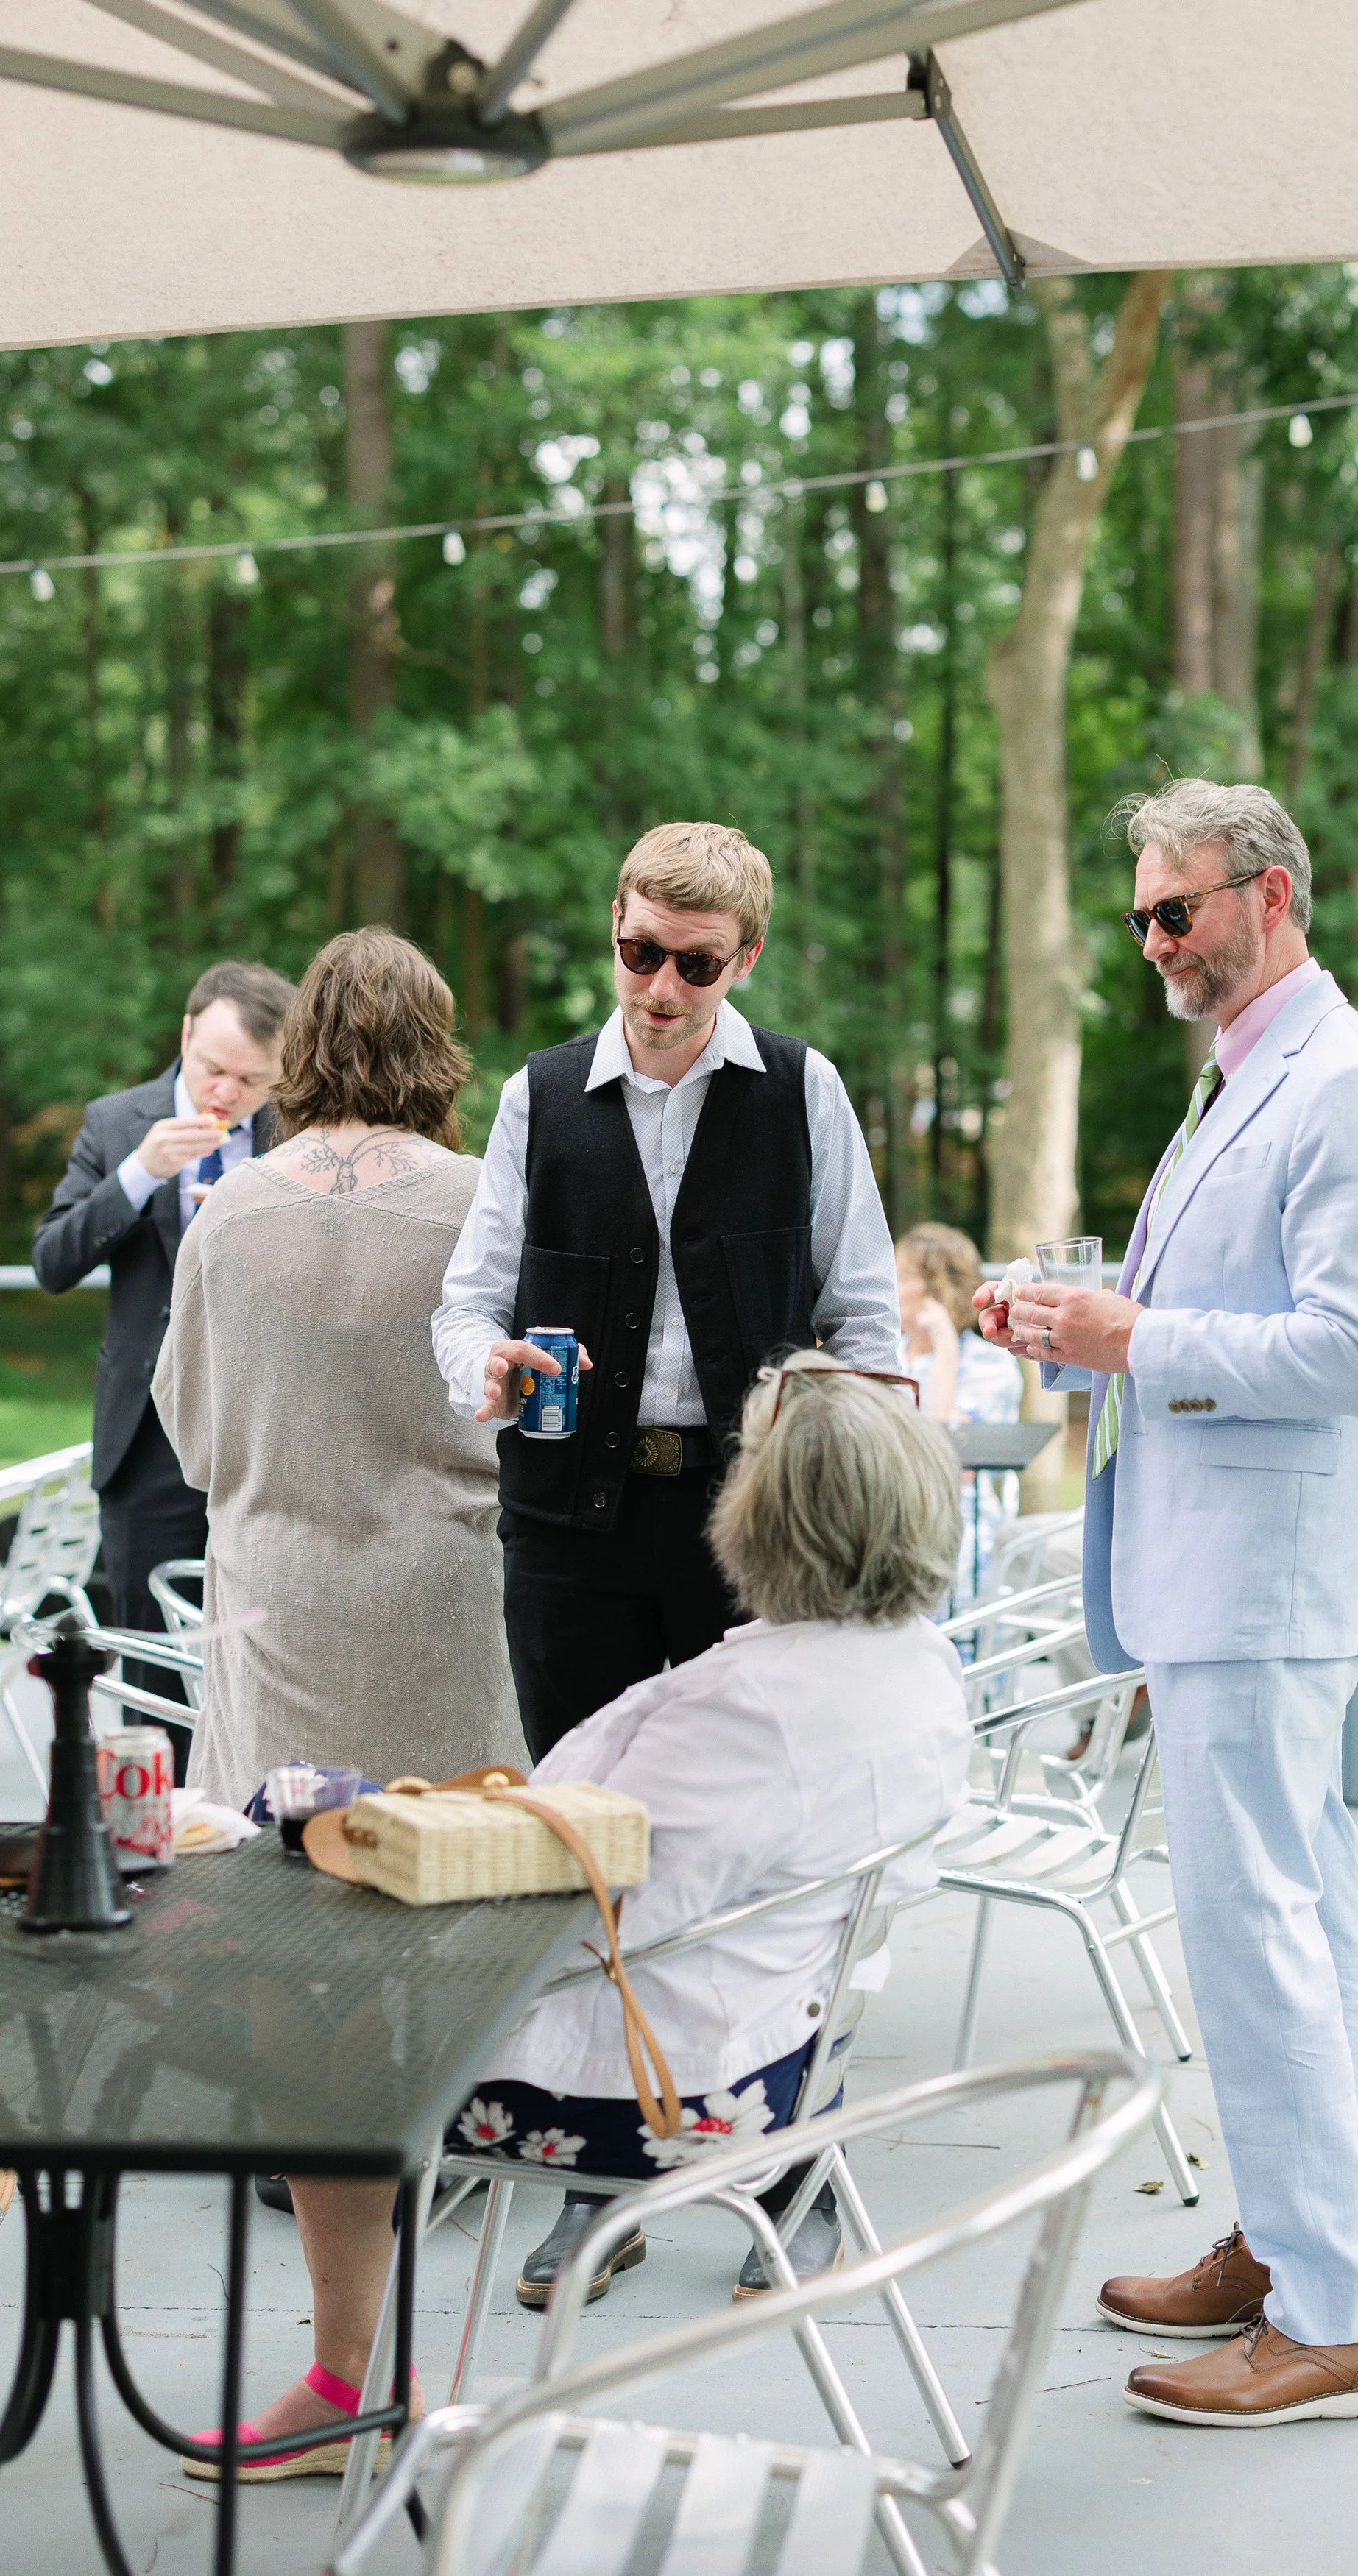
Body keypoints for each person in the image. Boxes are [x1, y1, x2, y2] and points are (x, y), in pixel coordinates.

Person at [189, 1353, 969, 2476]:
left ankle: (348, 2391)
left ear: (763, 1511)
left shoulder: (744, 1713)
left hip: (662, 2091)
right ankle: (351, 2385)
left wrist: (366, 1847)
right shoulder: (913, 1664)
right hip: (794, 2046)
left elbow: (572, 1915)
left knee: (315, 2035)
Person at [977, 779, 1358, 2430]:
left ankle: (1337, 2316)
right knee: (1296, 1918)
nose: (1156, 939)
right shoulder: (1235, 1078)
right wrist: (1069, 1318)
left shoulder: (1349, 1087)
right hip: (1216, 1573)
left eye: (1180, 908)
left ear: (1272, 894)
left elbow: (1356, 1352)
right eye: (1141, 917)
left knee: (1258, 1933)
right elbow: (1203, 1309)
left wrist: (1128, 1343)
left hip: (1271, 1578)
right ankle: (1292, 2237)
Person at [433, 821, 901, 1766]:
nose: (660, 987)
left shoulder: (804, 1091)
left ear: (747, 959)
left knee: (746, 1814)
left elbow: (863, 1320)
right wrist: (485, 1360)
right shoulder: (540, 1096)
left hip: (759, 1528)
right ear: (615, 924)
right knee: (575, 1810)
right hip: (568, 1534)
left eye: (697, 964)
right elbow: (466, 1304)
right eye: (640, 951)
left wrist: (843, 1499)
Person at [152, 929, 524, 1814]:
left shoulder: (229, 1207)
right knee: (454, 1879)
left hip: (272, 1593)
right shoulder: (484, 1200)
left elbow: (193, 1436)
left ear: (301, 1046)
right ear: (437, 1048)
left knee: (270, 1895)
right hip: (439, 1593)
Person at [33, 960, 294, 1737]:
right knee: (151, 1661)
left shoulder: (298, 1129)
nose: (226, 1093)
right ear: (185, 1036)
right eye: (214, 1068)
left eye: (251, 1081)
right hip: (148, 1438)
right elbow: (53, 1261)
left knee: (261, 1650)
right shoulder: (118, 1122)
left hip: (263, 1432)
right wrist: (140, 1174)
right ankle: (161, 1836)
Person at [896, 1221, 1022, 1599]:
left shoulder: (988, 1365)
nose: (888, 1288)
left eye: (901, 1277)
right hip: (888, 1508)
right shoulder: (889, 1355)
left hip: (958, 1519)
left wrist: (945, 1353)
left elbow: (954, 1458)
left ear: (938, 1289)